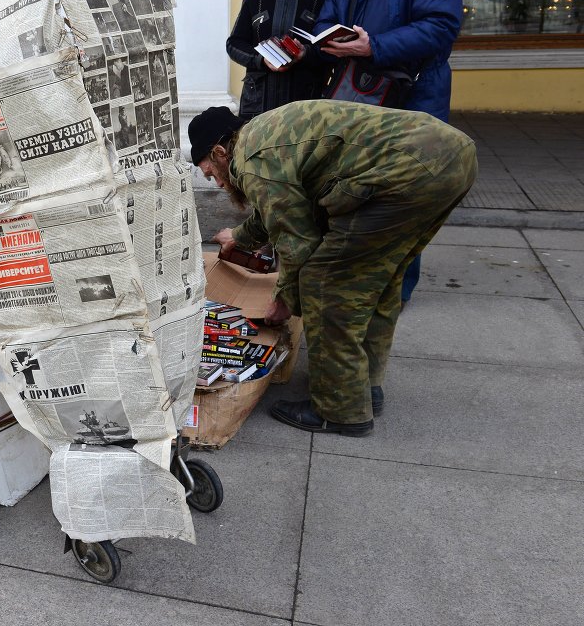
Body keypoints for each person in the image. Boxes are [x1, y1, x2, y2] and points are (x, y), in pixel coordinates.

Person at [189, 102, 477, 436]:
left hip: (407, 173)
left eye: (211, 173)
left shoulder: (253, 163)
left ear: (220, 151)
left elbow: (297, 241)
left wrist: (285, 300)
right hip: (450, 156)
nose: (218, 184)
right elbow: (286, 208)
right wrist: (240, 237)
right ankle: (365, 387)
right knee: (377, 279)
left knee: (325, 283)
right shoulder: (261, 136)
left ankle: (340, 411)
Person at [316, 0, 464, 303]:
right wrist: (326, 40)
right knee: (354, 189)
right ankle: (355, 279)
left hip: (415, 96)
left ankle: (395, 292)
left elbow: (439, 29)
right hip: (357, 94)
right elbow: (328, 19)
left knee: (405, 196)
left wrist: (373, 46)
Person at [226, 0, 329, 118]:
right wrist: (261, 60)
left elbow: (332, 49)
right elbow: (234, 44)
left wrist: (305, 54)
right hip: (258, 104)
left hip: (306, 105)